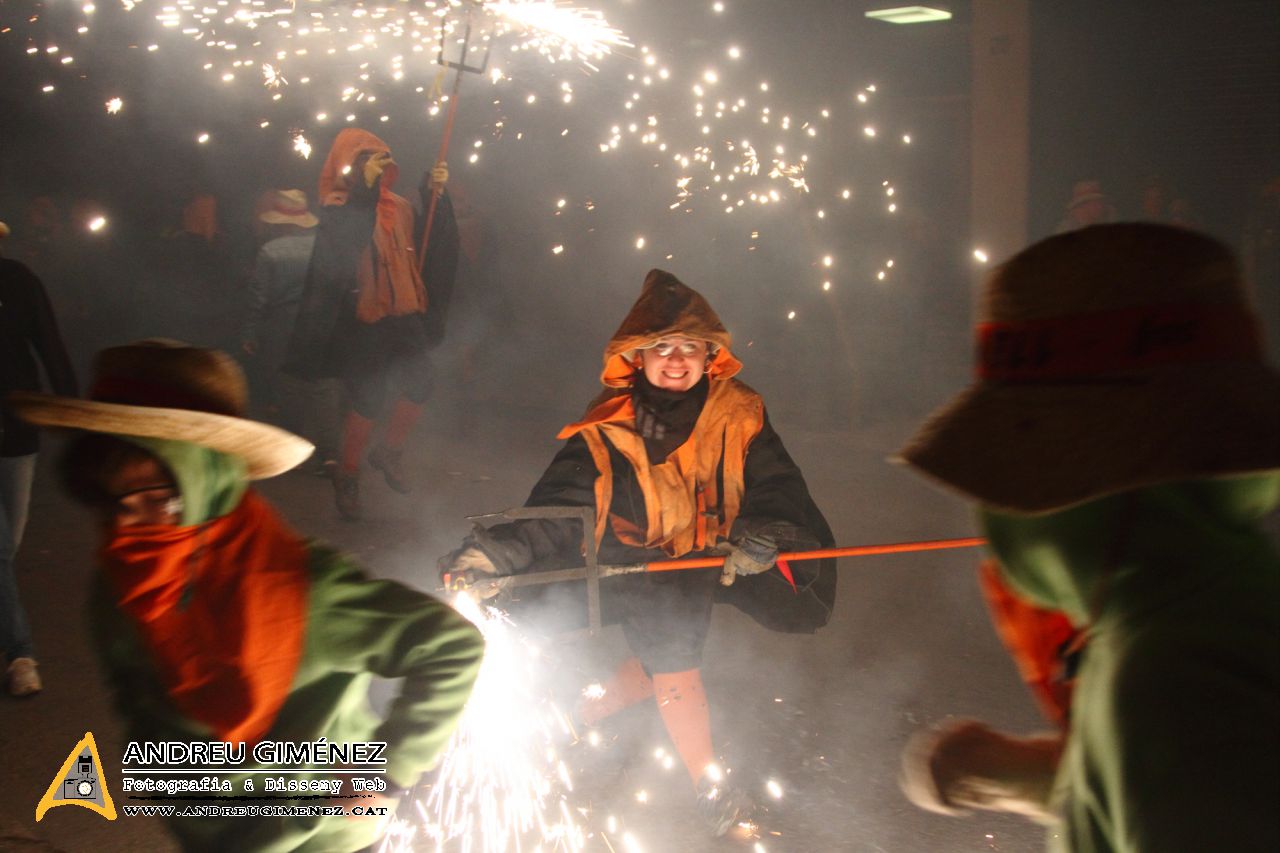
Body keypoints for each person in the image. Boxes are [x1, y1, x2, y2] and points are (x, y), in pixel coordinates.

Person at [10, 339, 484, 851]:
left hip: (322, 841)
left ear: (209, 482)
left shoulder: (306, 589)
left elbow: (450, 647)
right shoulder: (115, 585)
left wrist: (385, 775)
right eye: (112, 501)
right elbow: (133, 693)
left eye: (159, 499)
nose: (129, 529)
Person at [895, 224, 1280, 851]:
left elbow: (1191, 772)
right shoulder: (1193, 604)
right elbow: (1155, 792)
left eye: (1008, 464)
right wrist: (1013, 777)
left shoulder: (1177, 680)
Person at [439, 269, 837, 837]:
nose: (676, 360)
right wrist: (495, 556)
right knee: (676, 663)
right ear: (637, 357)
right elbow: (558, 504)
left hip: (703, 559)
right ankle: (712, 787)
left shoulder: (740, 412)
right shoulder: (607, 429)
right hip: (631, 563)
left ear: (710, 356)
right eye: (661, 348)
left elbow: (774, 481)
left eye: (690, 348)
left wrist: (768, 533)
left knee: (658, 668)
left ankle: (571, 720)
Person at [286, 128, 459, 520]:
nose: (375, 167)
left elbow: (437, 241)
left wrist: (434, 195)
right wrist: (363, 194)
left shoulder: (399, 206)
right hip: (364, 319)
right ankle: (347, 474)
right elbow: (346, 240)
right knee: (368, 398)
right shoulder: (338, 205)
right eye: (365, 159)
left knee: (422, 380)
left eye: (380, 159)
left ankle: (388, 451)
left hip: (404, 313)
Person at [1, 218, 78, 696]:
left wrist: (70, 407)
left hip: (15, 430)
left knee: (9, 547)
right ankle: (21, 653)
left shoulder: (19, 280)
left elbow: (48, 342)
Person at [241, 189, 337, 474]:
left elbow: (258, 298)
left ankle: (293, 447)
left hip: (281, 327)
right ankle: (330, 453)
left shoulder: (270, 252)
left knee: (287, 385)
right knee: (324, 387)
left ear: (280, 222)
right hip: (321, 325)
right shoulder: (327, 248)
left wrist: (250, 333)